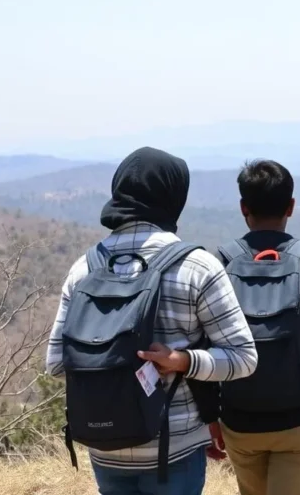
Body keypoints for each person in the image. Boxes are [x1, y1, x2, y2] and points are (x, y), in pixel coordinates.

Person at [45, 147, 258, 495]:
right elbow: (244, 358)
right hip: (173, 449)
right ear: (174, 196)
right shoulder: (197, 266)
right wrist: (182, 361)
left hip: (104, 445)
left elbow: (55, 363)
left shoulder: (84, 268)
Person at [204, 159, 300, 495]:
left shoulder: (220, 264)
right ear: (291, 206)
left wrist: (209, 416)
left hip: (239, 419)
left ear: (243, 208)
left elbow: (204, 345)